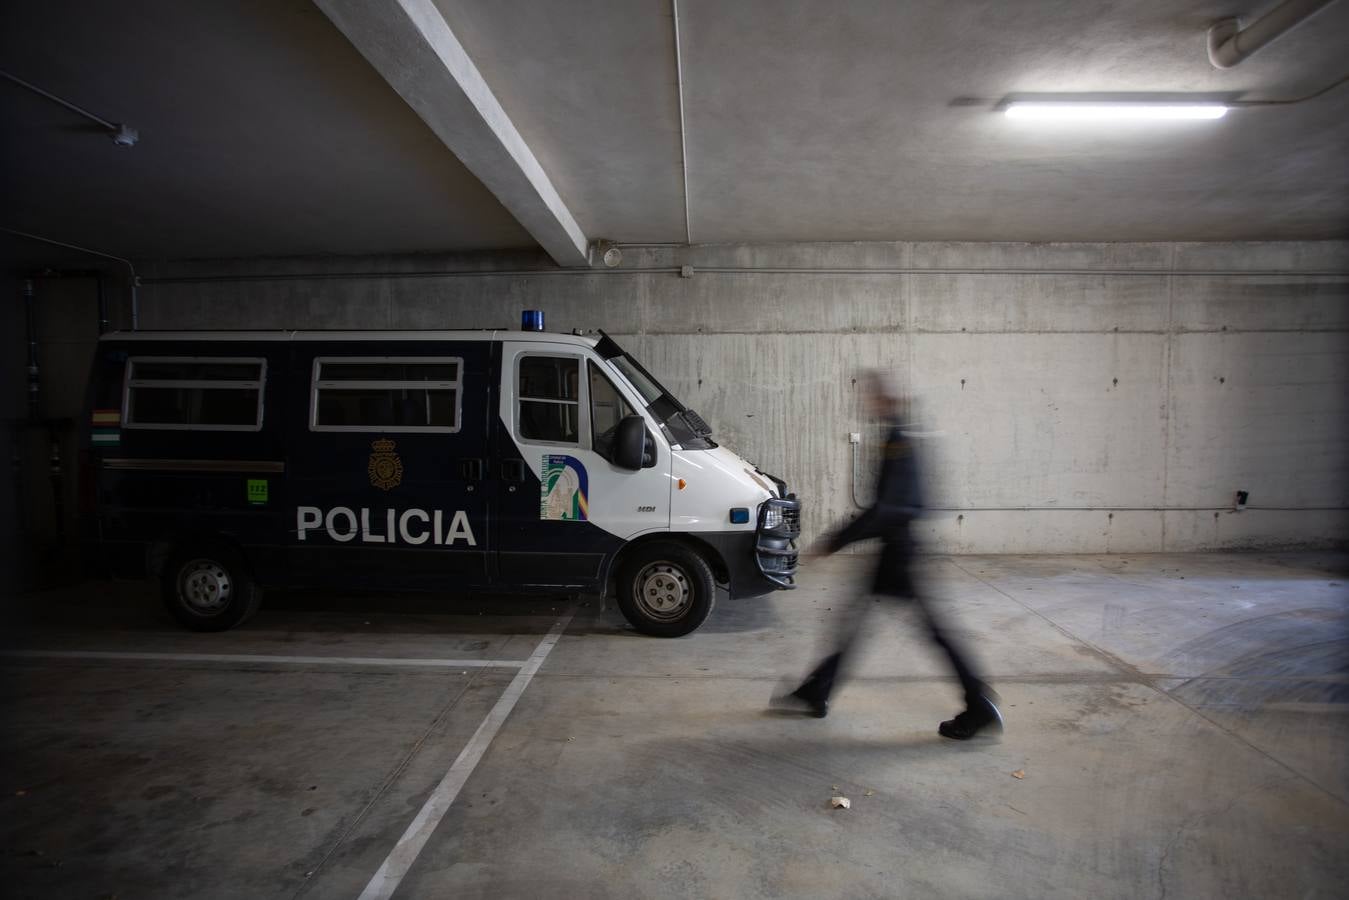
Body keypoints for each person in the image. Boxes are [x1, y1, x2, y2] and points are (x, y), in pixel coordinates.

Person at [776, 370, 1003, 740]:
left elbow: (888, 508)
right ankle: (816, 692)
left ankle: (978, 704)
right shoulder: (901, 435)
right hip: (896, 552)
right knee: (855, 624)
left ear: (887, 399)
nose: (866, 402)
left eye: (872, 396)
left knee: (933, 632)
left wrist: (837, 540)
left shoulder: (898, 439)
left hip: (901, 555)